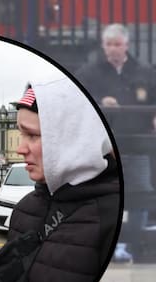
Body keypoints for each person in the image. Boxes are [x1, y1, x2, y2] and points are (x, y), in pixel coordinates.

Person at [0, 80, 120, 282]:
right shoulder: (25, 207)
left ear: (70, 137)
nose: (20, 148)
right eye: (20, 134)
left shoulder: (111, 216)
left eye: (33, 136)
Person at [74, 23, 155, 261]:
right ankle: (112, 244)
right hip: (104, 145)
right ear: (103, 46)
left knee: (140, 193)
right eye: (108, 44)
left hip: (138, 143)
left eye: (117, 44)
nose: (113, 49)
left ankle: (134, 243)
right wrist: (99, 101)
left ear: (127, 45)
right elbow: (76, 97)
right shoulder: (89, 72)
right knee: (107, 194)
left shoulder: (144, 70)